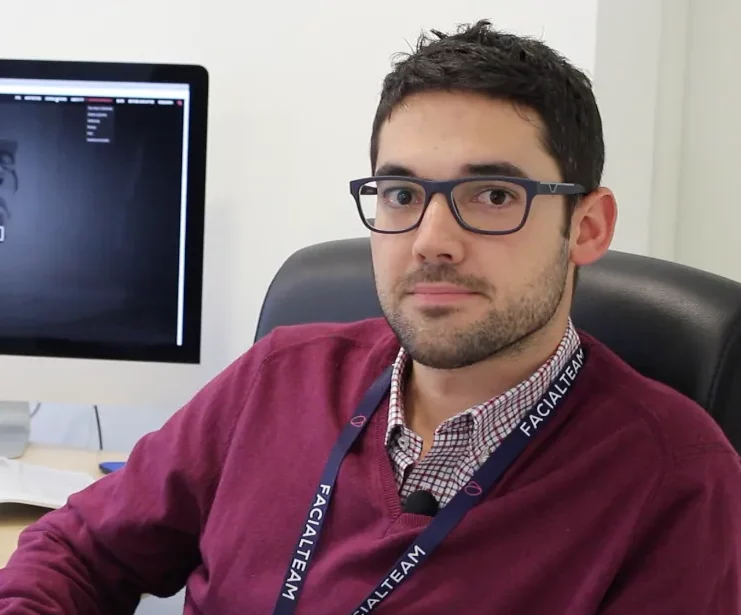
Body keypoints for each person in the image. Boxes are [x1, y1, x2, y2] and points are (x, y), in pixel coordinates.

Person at [1, 20, 740, 615]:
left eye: (490, 195)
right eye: (400, 193)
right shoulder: (279, 376)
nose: (431, 241)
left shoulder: (677, 480)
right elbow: (79, 548)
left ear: (585, 226)